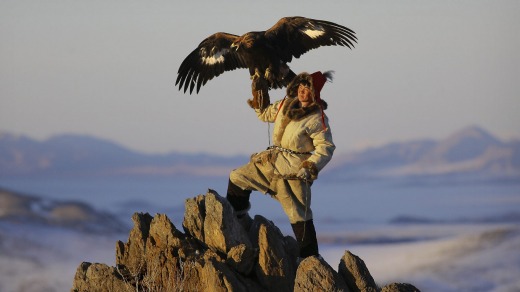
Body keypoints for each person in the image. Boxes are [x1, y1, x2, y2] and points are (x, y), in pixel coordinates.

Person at [226, 71, 336, 259]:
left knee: (299, 215)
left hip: (293, 172)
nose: (302, 91)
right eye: (300, 87)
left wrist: (310, 167)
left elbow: (326, 148)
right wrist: (259, 93)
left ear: (314, 92)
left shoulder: (317, 118)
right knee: (237, 178)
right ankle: (238, 222)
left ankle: (310, 261)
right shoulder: (286, 104)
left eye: (307, 88)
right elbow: (265, 114)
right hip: (270, 162)